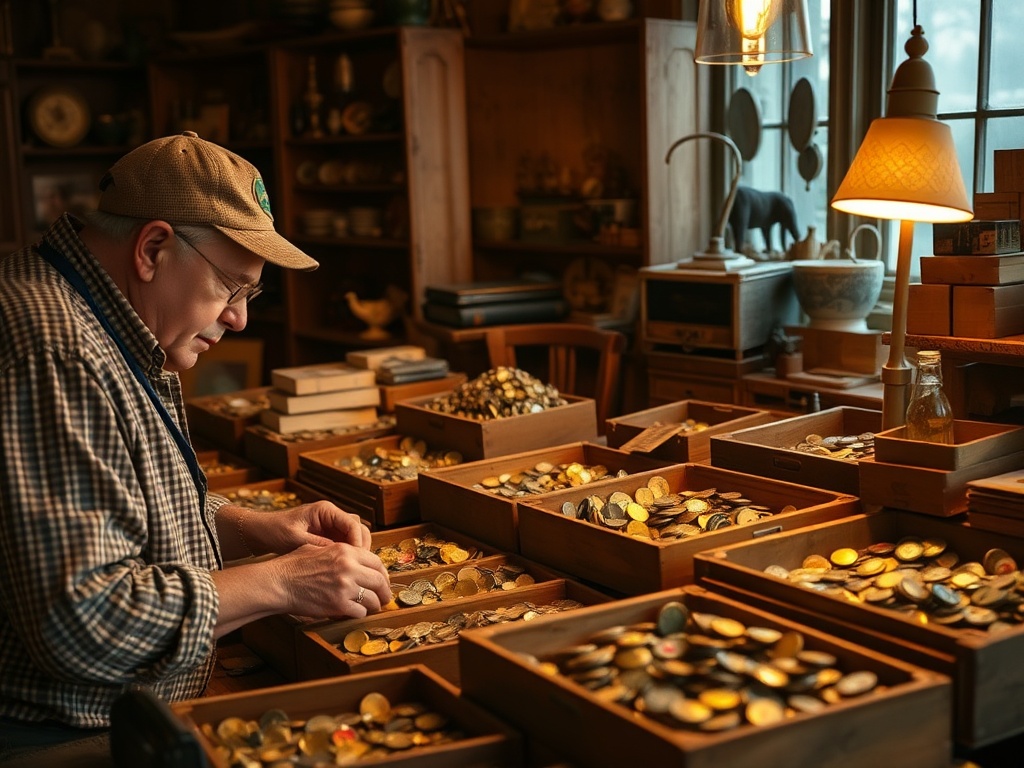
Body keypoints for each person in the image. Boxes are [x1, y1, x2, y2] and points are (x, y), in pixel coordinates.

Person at [0, 132, 392, 761]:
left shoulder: (114, 319)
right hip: (70, 738)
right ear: (153, 247)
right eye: (230, 287)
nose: (238, 318)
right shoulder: (59, 352)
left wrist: (250, 530)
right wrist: (284, 582)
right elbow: (84, 622)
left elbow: (117, 506)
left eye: (250, 295)